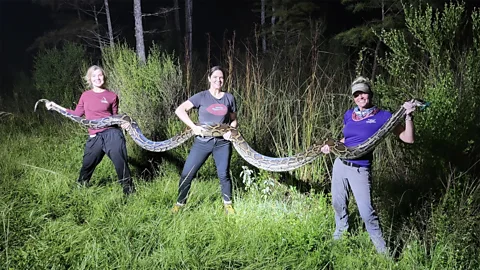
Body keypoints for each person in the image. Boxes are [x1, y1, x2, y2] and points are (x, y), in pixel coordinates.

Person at [321, 76, 416, 254]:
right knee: (337, 203)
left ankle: (384, 254)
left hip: (360, 169)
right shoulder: (349, 114)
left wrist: (408, 116)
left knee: (366, 213)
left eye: (362, 92)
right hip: (340, 165)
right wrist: (331, 146)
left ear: (369, 93)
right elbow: (346, 139)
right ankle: (339, 239)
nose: (360, 97)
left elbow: (408, 139)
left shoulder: (383, 116)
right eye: (356, 94)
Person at [46, 65, 135, 195]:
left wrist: (125, 124)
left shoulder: (112, 96)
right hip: (95, 136)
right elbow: (76, 114)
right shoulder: (85, 96)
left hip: (112, 134)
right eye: (94, 76)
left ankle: (129, 192)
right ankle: (79, 189)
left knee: (120, 163)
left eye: (100, 75)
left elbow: (115, 117)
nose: (97, 78)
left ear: (104, 77)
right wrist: (55, 107)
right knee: (87, 164)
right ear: (90, 79)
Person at [172, 66, 237, 214]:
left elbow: (234, 121)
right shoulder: (201, 96)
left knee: (224, 174)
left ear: (224, 79)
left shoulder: (229, 98)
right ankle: (179, 204)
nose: (218, 80)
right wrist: (193, 127)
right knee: (187, 173)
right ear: (209, 78)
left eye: (221, 77)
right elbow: (180, 110)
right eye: (215, 77)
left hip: (222, 143)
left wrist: (230, 131)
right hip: (202, 142)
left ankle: (228, 204)